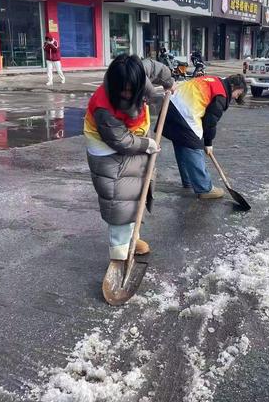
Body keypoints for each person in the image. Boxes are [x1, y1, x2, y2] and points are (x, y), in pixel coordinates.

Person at [85, 55, 175, 261]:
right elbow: (120, 141)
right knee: (119, 197)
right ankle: (119, 250)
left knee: (137, 188)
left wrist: (169, 83)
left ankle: (133, 237)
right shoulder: (103, 107)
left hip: (135, 137)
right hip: (106, 149)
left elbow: (156, 67)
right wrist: (146, 144)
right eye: (122, 90)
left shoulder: (137, 72)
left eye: (131, 89)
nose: (126, 93)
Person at [162, 74, 247, 199]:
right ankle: (204, 188)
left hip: (170, 106)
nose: (235, 97)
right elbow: (210, 123)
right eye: (238, 94)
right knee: (194, 146)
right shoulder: (221, 95)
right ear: (233, 86)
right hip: (184, 112)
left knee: (182, 143)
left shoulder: (214, 80)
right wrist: (208, 143)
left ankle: (189, 181)